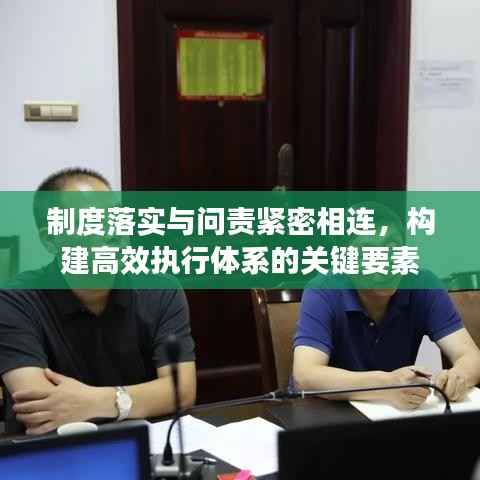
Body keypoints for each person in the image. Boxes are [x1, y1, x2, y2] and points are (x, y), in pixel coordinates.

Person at [0, 168, 196, 434]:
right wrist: (139, 399)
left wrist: (98, 401)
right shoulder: (14, 300)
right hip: (54, 450)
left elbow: (181, 390)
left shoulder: (161, 289)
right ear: (51, 239)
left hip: (146, 442)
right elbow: (42, 411)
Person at [293, 203, 480, 410]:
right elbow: (305, 375)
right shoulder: (323, 290)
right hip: (329, 411)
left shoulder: (422, 283)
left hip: (394, 413)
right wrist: (386, 384)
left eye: (393, 247)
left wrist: (459, 377)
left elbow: (469, 355)